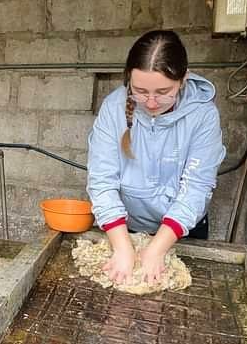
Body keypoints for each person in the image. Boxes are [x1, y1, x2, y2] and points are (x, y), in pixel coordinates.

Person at [87, 30, 225, 286]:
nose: (150, 102)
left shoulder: (203, 115)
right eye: (140, 91)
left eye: (163, 92)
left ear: (182, 80)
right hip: (123, 228)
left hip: (181, 232)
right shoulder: (113, 108)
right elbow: (102, 180)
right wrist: (122, 246)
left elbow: (196, 187)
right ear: (128, 79)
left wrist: (157, 249)